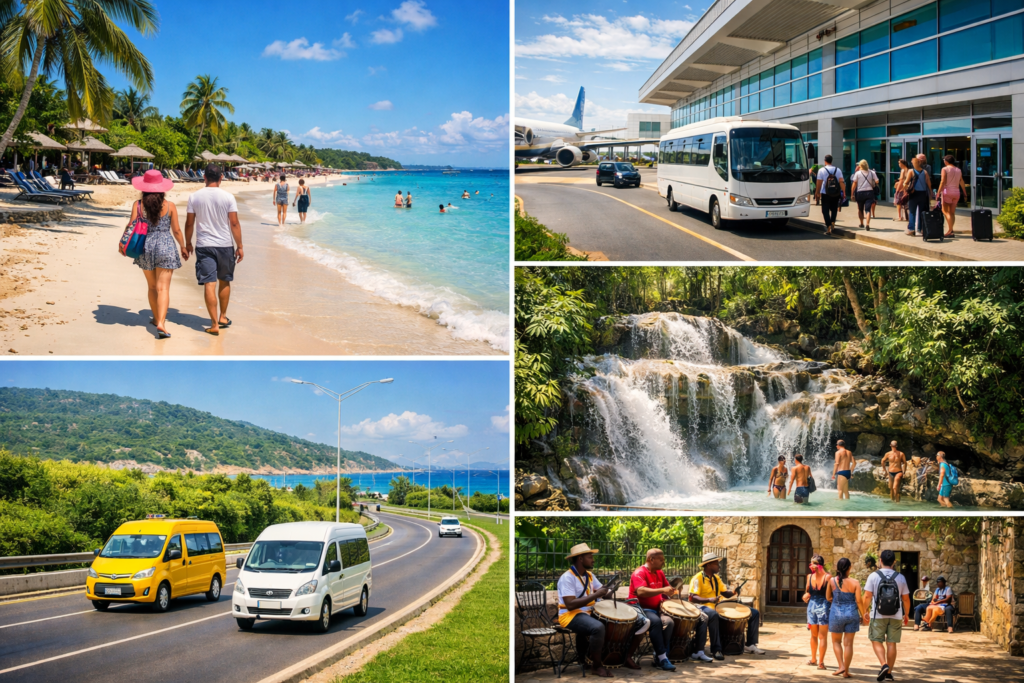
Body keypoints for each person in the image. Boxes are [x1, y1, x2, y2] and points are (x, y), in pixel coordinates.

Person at [558, 543, 644, 678]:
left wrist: (610, 590)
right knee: (597, 627)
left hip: (587, 613)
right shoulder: (567, 577)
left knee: (611, 623)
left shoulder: (589, 576)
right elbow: (570, 604)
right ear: (580, 559)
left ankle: (590, 659)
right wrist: (596, 594)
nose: (593, 559)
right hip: (570, 615)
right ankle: (596, 666)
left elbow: (604, 594)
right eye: (589, 557)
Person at [184, 164, 244, 337]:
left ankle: (214, 323)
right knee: (224, 281)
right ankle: (223, 317)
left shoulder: (194, 197)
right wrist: (239, 246)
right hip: (225, 245)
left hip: (204, 246)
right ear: (221, 177)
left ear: (204, 177)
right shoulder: (228, 197)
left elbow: (189, 223)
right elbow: (234, 223)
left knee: (209, 283)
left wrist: (188, 243)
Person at [129, 170, 186, 340]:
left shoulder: (138, 205)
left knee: (152, 287)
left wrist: (123, 244)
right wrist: (183, 246)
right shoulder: (170, 206)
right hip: (166, 246)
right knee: (164, 288)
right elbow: (176, 230)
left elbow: (132, 226)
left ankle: (155, 318)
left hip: (145, 246)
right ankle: (161, 322)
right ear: (162, 188)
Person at [688, 552, 765, 660]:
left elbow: (725, 593)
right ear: (709, 565)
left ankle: (750, 644)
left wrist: (734, 592)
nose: (719, 566)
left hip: (719, 606)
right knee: (714, 615)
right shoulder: (697, 578)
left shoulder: (716, 578)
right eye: (716, 564)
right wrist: (709, 599)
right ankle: (716, 649)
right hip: (703, 607)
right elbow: (692, 598)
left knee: (754, 612)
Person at [863, 549, 910, 682]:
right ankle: (889, 672)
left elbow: (867, 596)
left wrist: (865, 611)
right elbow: (906, 599)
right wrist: (906, 614)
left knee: (876, 640)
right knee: (891, 643)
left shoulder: (873, 576)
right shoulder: (900, 577)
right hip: (896, 615)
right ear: (894, 562)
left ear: (880, 561)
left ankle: (884, 664)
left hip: (878, 615)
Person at [628, 549, 678, 671]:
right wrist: (662, 590)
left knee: (669, 622)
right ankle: (662, 658)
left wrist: (673, 591)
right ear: (651, 559)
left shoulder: (659, 572)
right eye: (661, 560)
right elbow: (641, 591)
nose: (663, 562)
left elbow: (668, 589)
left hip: (657, 608)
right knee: (655, 622)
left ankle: (660, 655)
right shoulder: (639, 573)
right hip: (640, 608)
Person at [827, 557, 864, 679]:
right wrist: (864, 614)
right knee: (848, 645)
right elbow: (859, 601)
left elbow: (828, 597)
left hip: (836, 614)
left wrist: (837, 602)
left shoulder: (832, 581)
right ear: (849, 568)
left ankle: (841, 666)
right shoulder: (855, 583)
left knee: (836, 642)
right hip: (851, 614)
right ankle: (846, 671)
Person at [802, 554, 831, 670]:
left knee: (821, 636)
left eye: (814, 563)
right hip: (815, 605)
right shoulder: (810, 576)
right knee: (814, 635)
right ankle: (814, 659)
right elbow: (808, 592)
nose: (812, 565)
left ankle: (820, 662)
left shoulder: (827, 577)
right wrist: (806, 596)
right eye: (811, 563)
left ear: (821, 565)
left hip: (821, 605)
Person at [936, 155, 966, 238]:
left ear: (946, 161)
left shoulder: (944, 169)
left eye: (944, 160)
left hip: (947, 192)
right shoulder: (958, 170)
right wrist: (964, 192)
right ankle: (951, 229)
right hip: (956, 192)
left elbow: (942, 181)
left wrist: (938, 192)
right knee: (952, 212)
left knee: (945, 211)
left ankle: (950, 231)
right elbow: (961, 181)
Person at [815, 154, 845, 235]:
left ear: (825, 161)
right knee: (834, 209)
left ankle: (828, 226)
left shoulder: (821, 170)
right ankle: (833, 223)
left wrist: (817, 192)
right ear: (831, 161)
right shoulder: (838, 170)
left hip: (825, 193)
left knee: (825, 210)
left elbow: (819, 182)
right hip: (836, 193)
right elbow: (841, 182)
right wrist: (844, 192)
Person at [905, 157, 932, 237]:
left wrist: (905, 187)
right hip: (923, 194)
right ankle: (920, 229)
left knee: (912, 211)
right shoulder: (925, 172)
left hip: (914, 194)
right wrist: (930, 192)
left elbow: (906, 182)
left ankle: (911, 229)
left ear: (913, 163)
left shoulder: (911, 171)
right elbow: (928, 183)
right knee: (921, 212)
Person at [851, 160, 877, 230]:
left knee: (860, 209)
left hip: (860, 192)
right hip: (870, 192)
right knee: (868, 210)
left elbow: (854, 184)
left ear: (860, 166)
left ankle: (862, 223)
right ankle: (867, 224)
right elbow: (877, 181)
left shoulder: (858, 173)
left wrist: (852, 194)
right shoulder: (872, 172)